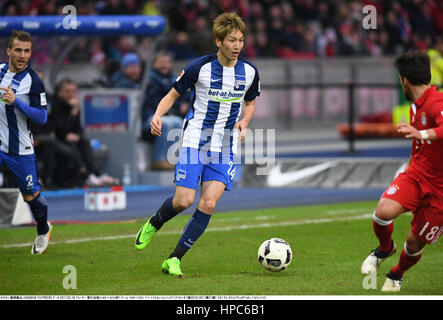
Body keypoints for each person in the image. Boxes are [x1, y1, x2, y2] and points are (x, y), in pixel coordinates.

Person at [134, 12, 260, 277]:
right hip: (196, 140)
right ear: (218, 41)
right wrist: (157, 115)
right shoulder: (199, 68)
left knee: (208, 204)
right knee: (184, 201)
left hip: (225, 146)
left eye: (240, 40)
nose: (237, 46)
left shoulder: (249, 72)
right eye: (231, 40)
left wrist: (245, 122)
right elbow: (172, 95)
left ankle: (174, 259)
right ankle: (155, 222)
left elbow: (249, 103)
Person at [361, 50, 443, 292]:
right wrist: (408, 167)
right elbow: (419, 144)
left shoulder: (436, 102)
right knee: (383, 211)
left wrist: (422, 133)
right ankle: (385, 248)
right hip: (417, 175)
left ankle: (396, 274)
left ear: (404, 80)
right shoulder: (416, 106)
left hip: (440, 190)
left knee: (414, 243)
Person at [0, 30, 52, 254]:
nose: (22, 55)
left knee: (30, 195)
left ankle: (43, 229)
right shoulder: (0, 72)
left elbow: (42, 117)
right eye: (18, 50)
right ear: (9, 51)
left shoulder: (34, 81)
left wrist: (16, 103)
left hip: (21, 149)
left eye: (27, 51)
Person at [50, 78, 118, 187]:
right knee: (72, 145)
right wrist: (73, 112)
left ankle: (97, 173)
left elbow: (78, 129)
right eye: (68, 91)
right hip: (57, 140)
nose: (71, 94)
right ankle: (86, 175)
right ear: (60, 92)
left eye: (73, 91)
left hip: (71, 139)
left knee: (84, 142)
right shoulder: (55, 105)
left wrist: (77, 135)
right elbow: (61, 129)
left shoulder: (73, 106)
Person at [142, 51, 189, 170]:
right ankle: (158, 159)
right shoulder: (148, 79)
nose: (164, 65)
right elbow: (152, 101)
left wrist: (183, 104)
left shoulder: (173, 79)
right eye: (161, 62)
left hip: (171, 115)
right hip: (151, 116)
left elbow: (182, 97)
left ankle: (171, 158)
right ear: (154, 64)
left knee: (178, 122)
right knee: (166, 123)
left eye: (167, 62)